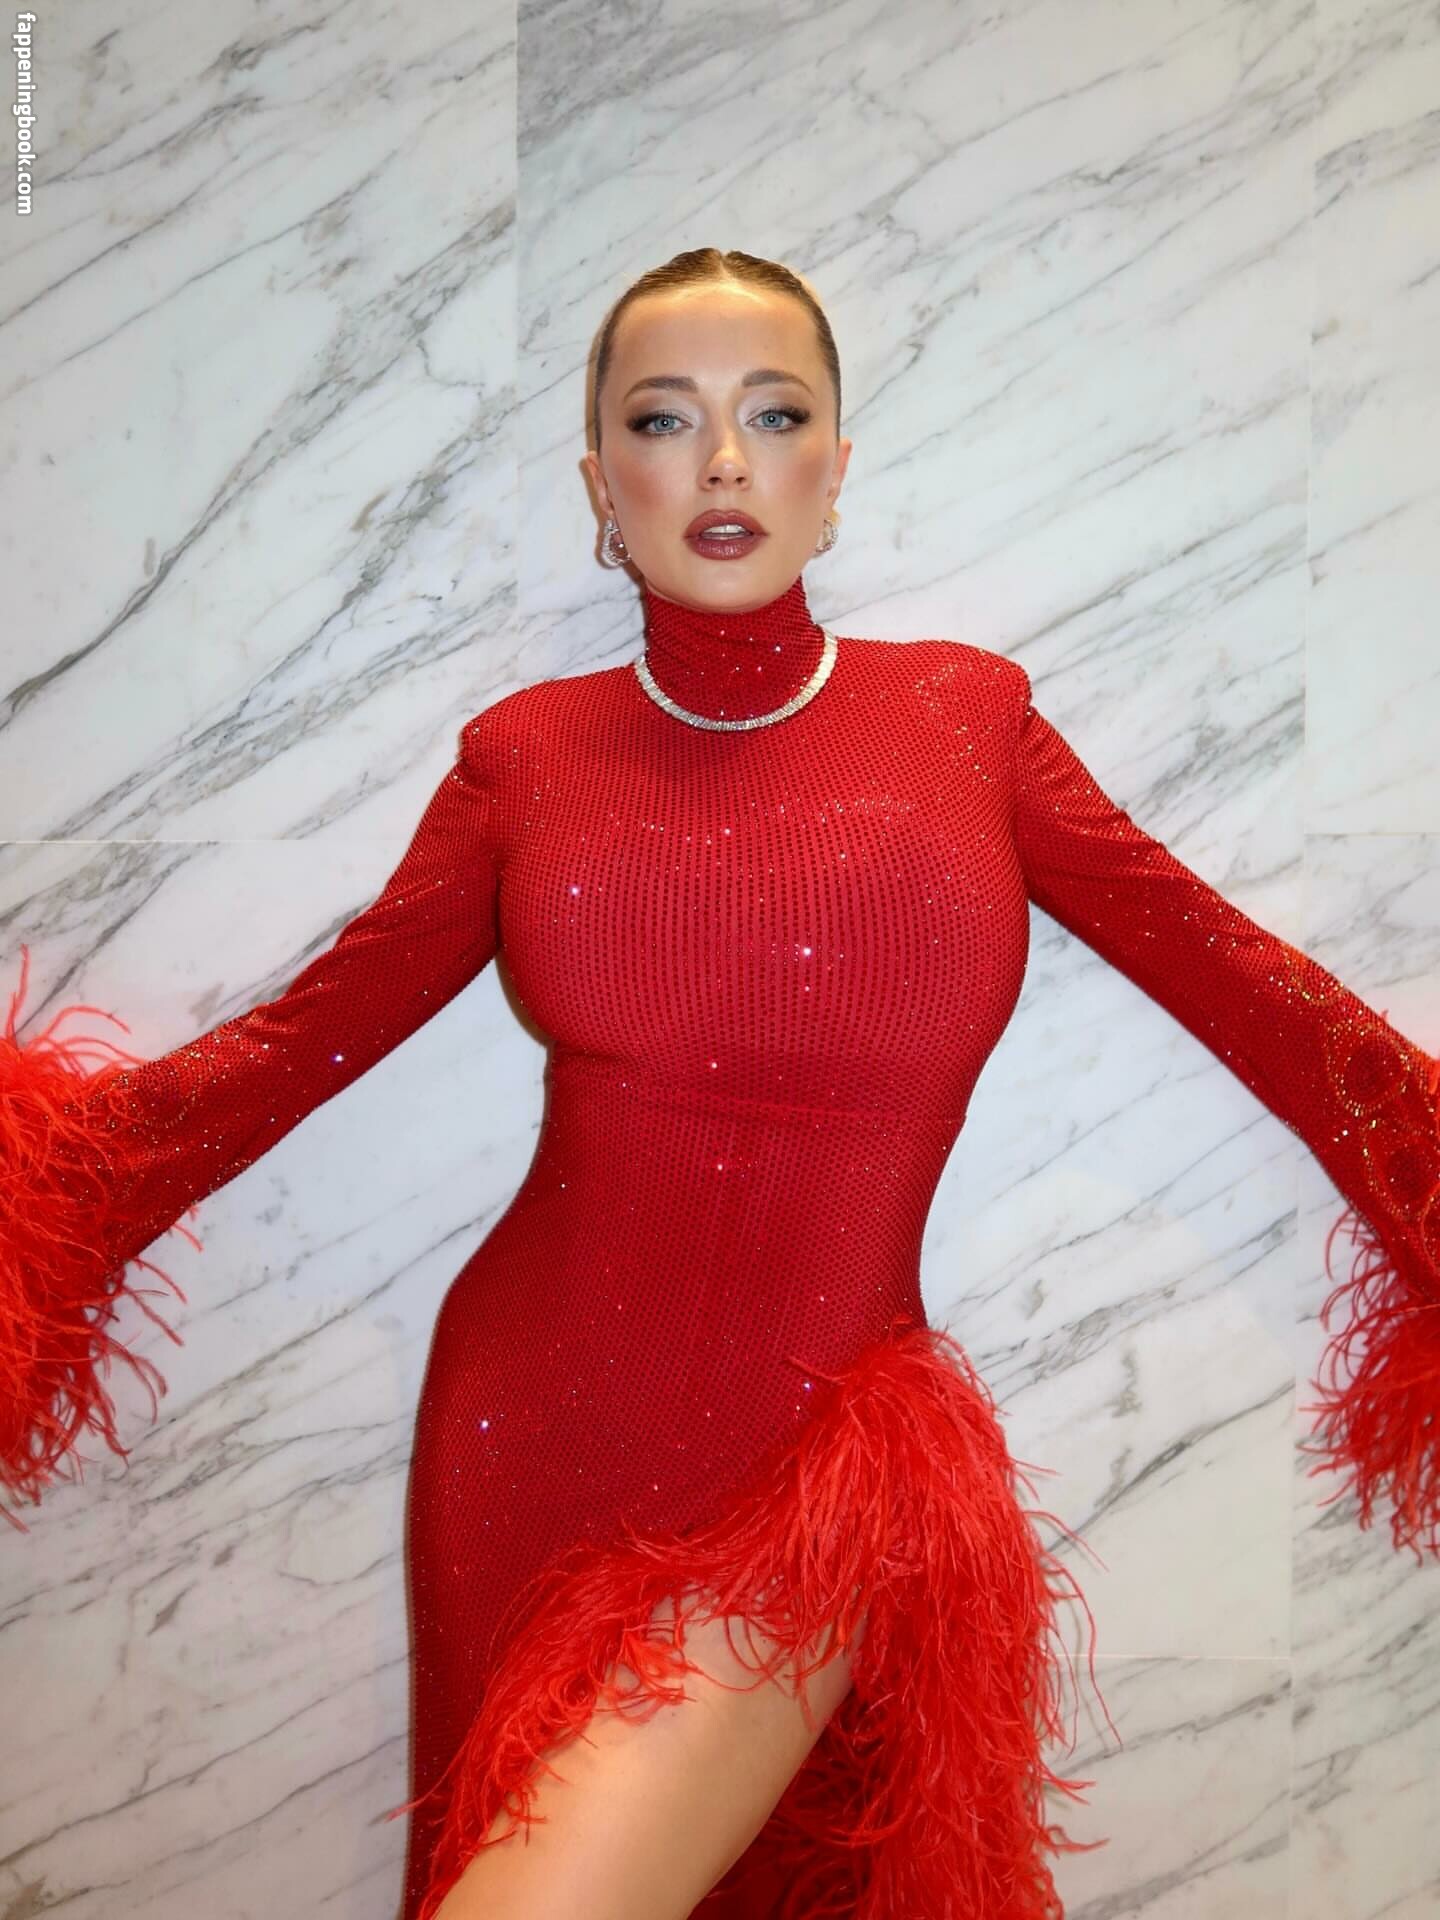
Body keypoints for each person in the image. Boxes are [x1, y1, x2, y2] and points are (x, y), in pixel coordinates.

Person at [3, 246, 1437, 1920]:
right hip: (529, 1439)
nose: (726, 462)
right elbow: (304, 1041)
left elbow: (1240, 980)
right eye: (664, 420)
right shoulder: (526, 756)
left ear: (839, 465)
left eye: (775, 413)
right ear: (600, 487)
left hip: (815, 1468)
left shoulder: (965, 720)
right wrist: (41, 1194)